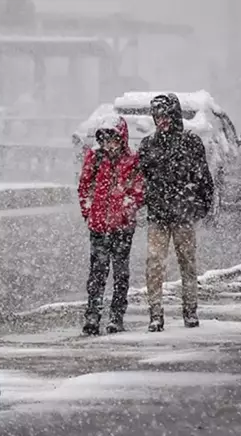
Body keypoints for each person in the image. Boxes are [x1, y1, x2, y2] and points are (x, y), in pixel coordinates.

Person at [138, 93, 214, 332]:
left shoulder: (190, 143)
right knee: (154, 264)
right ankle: (156, 314)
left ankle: (190, 311)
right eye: (157, 116)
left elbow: (203, 179)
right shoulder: (148, 145)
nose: (161, 121)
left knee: (187, 263)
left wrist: (199, 208)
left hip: (182, 215)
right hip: (159, 215)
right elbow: (141, 179)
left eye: (165, 115)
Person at [77, 114, 144, 335]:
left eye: (113, 138)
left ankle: (116, 316)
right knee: (97, 273)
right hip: (98, 226)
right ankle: (93, 315)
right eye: (105, 139)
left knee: (120, 272)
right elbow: (84, 187)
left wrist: (125, 210)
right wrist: (89, 211)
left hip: (122, 228)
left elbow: (138, 191)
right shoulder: (95, 159)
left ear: (121, 138)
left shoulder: (132, 161)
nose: (109, 144)